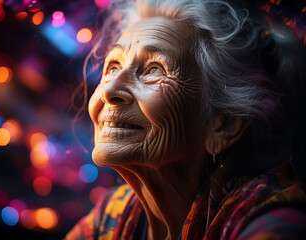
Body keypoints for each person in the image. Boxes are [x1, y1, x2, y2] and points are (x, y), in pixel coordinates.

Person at [66, 0, 306, 239]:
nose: (109, 91)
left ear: (224, 124)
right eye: (113, 67)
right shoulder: (113, 212)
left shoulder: (271, 218)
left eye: (154, 69)